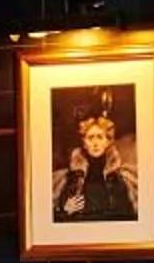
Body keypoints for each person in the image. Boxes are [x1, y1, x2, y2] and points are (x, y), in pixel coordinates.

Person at [52, 94, 139, 223]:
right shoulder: (69, 179)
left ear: (108, 142)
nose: (95, 143)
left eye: (100, 137)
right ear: (84, 143)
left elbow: (130, 217)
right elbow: (53, 221)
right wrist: (64, 211)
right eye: (90, 137)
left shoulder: (121, 179)